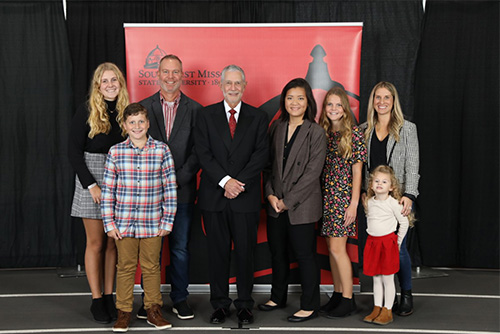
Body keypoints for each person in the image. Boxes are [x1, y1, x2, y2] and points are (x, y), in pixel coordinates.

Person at [194, 64, 269, 325]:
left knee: (246, 254)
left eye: (238, 83)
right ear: (221, 86)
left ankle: (245, 305)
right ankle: (220, 305)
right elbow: (203, 154)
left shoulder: (258, 117)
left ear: (244, 86)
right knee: (217, 254)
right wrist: (226, 182)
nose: (233, 88)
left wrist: (237, 184)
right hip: (214, 197)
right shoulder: (205, 116)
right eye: (229, 83)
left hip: (245, 197)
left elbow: (261, 155)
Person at [101, 103, 177, 332]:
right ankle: (123, 312)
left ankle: (153, 309)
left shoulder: (161, 150)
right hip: (123, 224)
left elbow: (170, 188)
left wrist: (167, 221)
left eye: (141, 122)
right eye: (132, 122)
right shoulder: (116, 152)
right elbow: (108, 191)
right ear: (125, 126)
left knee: (152, 267)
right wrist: (109, 223)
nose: (137, 126)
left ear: (148, 124)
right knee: (125, 267)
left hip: (153, 222)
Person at [138, 54, 202, 320]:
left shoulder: (196, 109)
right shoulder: (141, 107)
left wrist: (178, 177)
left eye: (176, 72)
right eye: (166, 71)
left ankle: (180, 298)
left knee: (179, 248)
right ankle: (149, 300)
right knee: (149, 250)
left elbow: (199, 150)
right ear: (158, 74)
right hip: (148, 195)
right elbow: (136, 147)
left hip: (182, 191)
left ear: (182, 75)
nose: (171, 77)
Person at [259, 78, 326, 322]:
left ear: (308, 101)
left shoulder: (316, 132)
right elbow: (268, 168)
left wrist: (288, 200)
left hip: (302, 206)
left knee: (305, 255)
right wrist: (270, 195)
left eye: (300, 98)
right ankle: (278, 297)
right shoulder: (276, 127)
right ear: (283, 101)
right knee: (278, 254)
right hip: (276, 204)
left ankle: (310, 305)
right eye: (289, 98)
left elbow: (312, 173)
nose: (294, 102)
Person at [69, 62, 129, 323]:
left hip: (120, 178)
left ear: (120, 83)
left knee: (113, 242)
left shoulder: (127, 111)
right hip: (91, 177)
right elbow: (73, 151)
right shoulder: (87, 111)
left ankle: (108, 295)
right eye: (105, 81)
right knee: (95, 243)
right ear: (98, 85)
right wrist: (91, 185)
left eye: (114, 80)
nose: (110, 85)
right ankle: (96, 299)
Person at [361, 81, 420, 316]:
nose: (382, 102)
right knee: (379, 249)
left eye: (387, 97)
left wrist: (409, 195)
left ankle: (406, 293)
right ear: (372, 101)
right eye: (378, 97)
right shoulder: (364, 129)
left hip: (398, 198)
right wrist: (365, 193)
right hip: (374, 200)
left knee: (399, 248)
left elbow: (412, 165)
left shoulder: (407, 129)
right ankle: (386, 298)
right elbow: (364, 167)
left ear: (393, 101)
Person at [318, 87, 366, 318]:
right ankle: (337, 294)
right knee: (331, 248)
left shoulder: (354, 134)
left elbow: (358, 172)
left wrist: (353, 203)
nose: (334, 109)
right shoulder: (324, 133)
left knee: (338, 249)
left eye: (338, 105)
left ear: (345, 109)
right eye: (330, 104)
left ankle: (348, 299)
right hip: (326, 198)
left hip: (343, 199)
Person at [362, 165, 410, 325]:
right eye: (376, 181)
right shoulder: (369, 202)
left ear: (391, 187)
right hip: (373, 243)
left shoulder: (393, 203)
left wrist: (397, 243)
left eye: (384, 181)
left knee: (387, 279)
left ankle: (387, 310)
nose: (379, 184)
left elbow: (404, 223)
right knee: (376, 278)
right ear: (371, 184)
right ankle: (377, 307)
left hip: (387, 244)